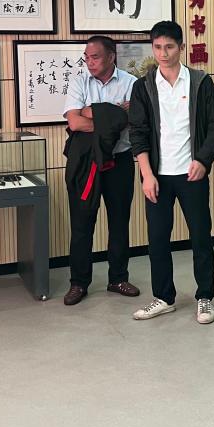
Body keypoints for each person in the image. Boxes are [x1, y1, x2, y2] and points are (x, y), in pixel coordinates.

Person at [128, 21, 214, 324]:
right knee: (158, 238)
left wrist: (203, 160)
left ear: (181, 47)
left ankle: (205, 297)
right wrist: (147, 174)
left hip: (191, 174)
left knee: (200, 236)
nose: (163, 53)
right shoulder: (143, 86)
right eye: (157, 47)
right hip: (157, 176)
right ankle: (164, 297)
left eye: (169, 47)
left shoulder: (199, 82)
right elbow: (138, 133)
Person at [61, 36, 140, 306]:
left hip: (120, 162)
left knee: (119, 221)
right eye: (86, 57)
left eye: (95, 57)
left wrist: (91, 112)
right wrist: (115, 115)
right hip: (87, 164)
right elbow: (74, 122)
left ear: (111, 57)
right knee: (82, 223)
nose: (89, 62)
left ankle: (118, 278)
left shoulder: (131, 83)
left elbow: (135, 119)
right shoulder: (79, 82)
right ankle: (78, 283)